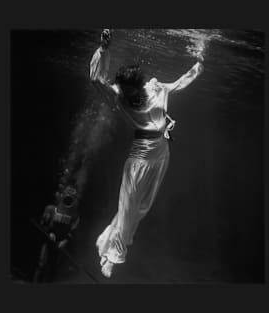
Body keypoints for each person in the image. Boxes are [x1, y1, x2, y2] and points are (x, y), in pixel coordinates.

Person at [89, 29, 204, 278]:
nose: (126, 93)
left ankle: (109, 240)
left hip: (162, 153)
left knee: (141, 207)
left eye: (129, 89)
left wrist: (199, 65)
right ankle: (114, 257)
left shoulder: (155, 88)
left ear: (138, 85)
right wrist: (103, 49)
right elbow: (97, 79)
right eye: (123, 89)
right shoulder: (119, 95)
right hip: (139, 156)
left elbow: (179, 84)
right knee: (128, 205)